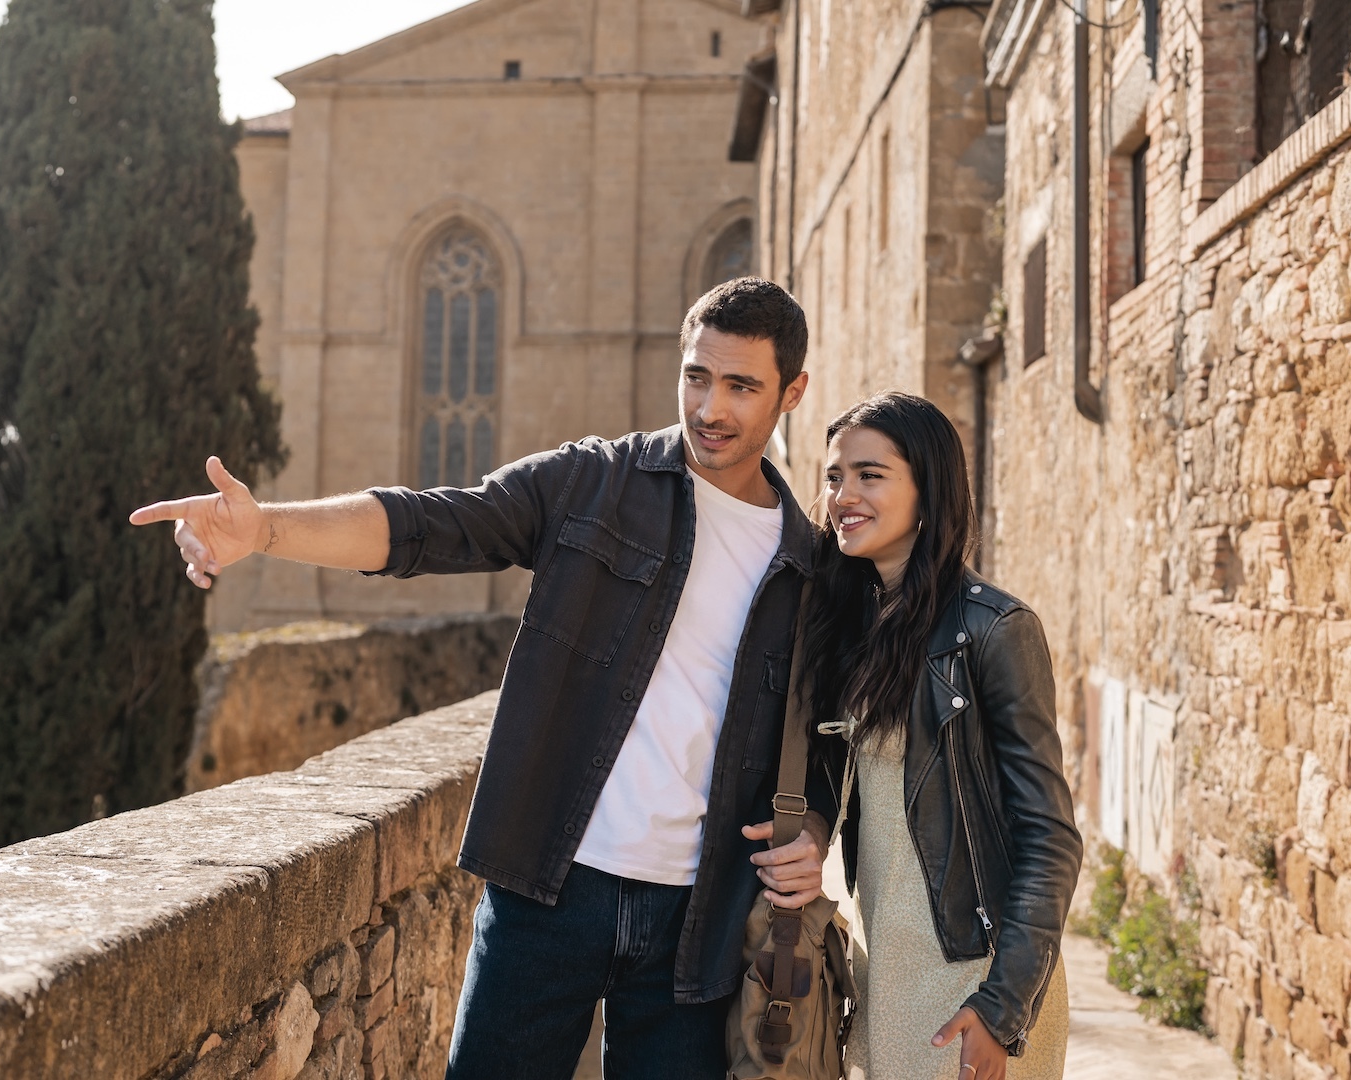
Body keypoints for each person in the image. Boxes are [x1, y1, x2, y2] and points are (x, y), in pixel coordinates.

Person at [131, 277, 839, 1080]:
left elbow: (826, 736)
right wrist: (265, 530)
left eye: (741, 386)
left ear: (792, 393)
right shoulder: (592, 484)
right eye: (696, 376)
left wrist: (815, 828)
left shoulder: (812, 570)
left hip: (699, 923)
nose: (709, 407)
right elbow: (430, 523)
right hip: (548, 893)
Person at [802, 392, 1082, 1080]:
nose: (844, 494)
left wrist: (1001, 1007)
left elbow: (1051, 836)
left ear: (928, 491)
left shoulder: (995, 629)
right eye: (835, 476)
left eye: (871, 475)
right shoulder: (857, 630)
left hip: (973, 983)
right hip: (884, 977)